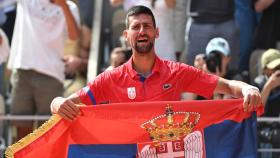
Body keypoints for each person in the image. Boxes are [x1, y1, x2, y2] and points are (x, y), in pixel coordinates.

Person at [50, 6, 261, 123]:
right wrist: (57, 102)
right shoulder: (111, 78)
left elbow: (228, 86)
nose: (142, 31)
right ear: (126, 35)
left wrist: (248, 88)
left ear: (156, 32)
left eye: (147, 26)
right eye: (136, 27)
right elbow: (68, 102)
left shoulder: (176, 72)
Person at [7, 0, 80, 141]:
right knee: (21, 130)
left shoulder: (70, 7)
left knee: (48, 132)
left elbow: (74, 36)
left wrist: (63, 5)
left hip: (51, 76)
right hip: (22, 72)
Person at [253, 49, 280, 158]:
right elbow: (257, 112)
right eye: (274, 68)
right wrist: (268, 87)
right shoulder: (257, 84)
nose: (277, 72)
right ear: (265, 70)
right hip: (262, 128)